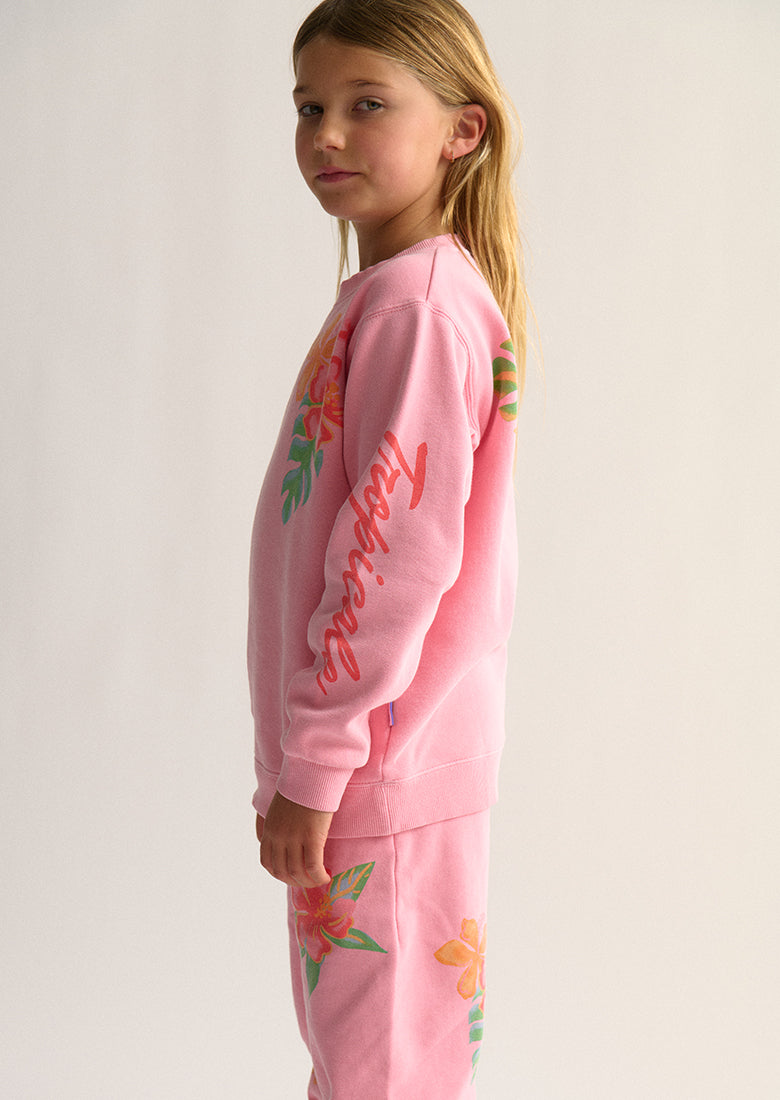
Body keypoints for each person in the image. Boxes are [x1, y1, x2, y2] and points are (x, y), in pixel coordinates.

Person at [249, 1, 529, 1095]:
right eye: (310, 106)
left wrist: (316, 765)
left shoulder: (417, 309)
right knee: (370, 1064)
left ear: (462, 128)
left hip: (377, 771)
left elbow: (387, 570)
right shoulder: (398, 297)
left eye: (367, 105)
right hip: (380, 770)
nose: (327, 134)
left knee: (382, 1074)